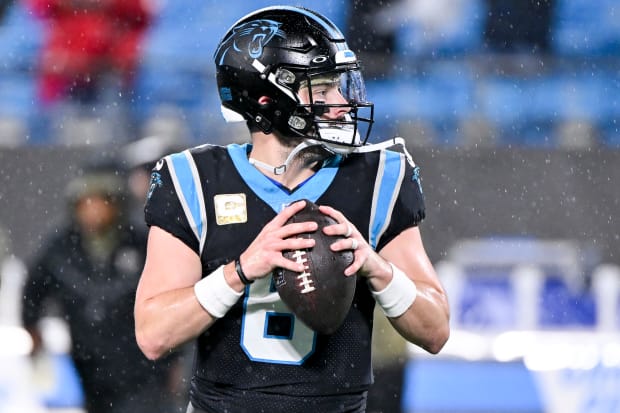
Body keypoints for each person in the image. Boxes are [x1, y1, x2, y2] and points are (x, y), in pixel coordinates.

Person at [134, 6, 450, 413]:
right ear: (267, 98)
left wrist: (376, 267)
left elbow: (436, 330)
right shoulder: (194, 180)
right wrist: (241, 270)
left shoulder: (378, 177)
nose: (340, 104)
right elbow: (153, 334)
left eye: (339, 87)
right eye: (321, 90)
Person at [21, 159, 182, 413]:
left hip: (141, 366)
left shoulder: (140, 243)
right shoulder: (62, 248)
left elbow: (171, 297)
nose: (92, 210)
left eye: (100, 201)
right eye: (85, 203)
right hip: (88, 364)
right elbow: (33, 290)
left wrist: (173, 357)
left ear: (116, 203)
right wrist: (33, 331)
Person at [24, 0, 154, 143]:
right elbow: (38, 7)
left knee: (114, 137)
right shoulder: (63, 19)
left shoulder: (113, 21)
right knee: (53, 139)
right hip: (64, 80)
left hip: (109, 77)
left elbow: (139, 14)